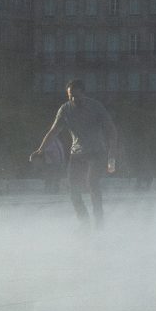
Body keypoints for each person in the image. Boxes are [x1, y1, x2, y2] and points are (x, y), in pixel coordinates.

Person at [32, 78, 120, 226]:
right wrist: (41, 150)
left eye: (76, 95)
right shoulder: (65, 109)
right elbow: (53, 131)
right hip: (77, 153)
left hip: (97, 152)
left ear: (83, 94)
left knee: (92, 182)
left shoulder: (96, 107)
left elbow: (111, 130)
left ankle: (99, 220)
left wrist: (112, 155)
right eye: (70, 96)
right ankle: (84, 222)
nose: (73, 99)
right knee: (73, 189)